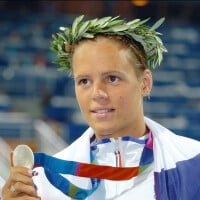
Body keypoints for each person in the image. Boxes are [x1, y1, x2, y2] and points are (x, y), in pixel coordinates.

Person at [2, 15, 200, 200]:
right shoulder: (43, 183)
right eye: (84, 81)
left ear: (145, 83)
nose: (97, 93)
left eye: (112, 78)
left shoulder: (194, 163)